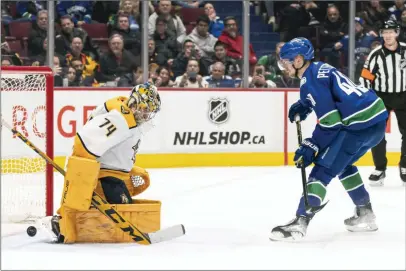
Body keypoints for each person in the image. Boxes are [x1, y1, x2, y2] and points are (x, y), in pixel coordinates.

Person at [270, 38, 388, 241]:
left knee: (323, 168)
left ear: (298, 60)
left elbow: (331, 123)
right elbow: (332, 96)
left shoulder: (309, 80)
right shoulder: (320, 67)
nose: (284, 67)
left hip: (358, 126)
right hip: (376, 122)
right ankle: (365, 214)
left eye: (286, 62)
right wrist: (306, 103)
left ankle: (300, 222)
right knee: (343, 164)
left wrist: (312, 145)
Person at [50, 83, 161, 243]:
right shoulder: (122, 119)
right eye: (145, 109)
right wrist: (82, 178)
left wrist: (126, 168)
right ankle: (63, 223)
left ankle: (75, 221)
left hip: (111, 174)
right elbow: (84, 142)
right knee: (123, 212)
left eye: (149, 111)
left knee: (124, 208)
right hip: (104, 177)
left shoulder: (128, 115)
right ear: (135, 102)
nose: (146, 114)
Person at [359, 20, 406, 186]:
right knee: (377, 133)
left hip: (404, 96)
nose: (388, 35)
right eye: (385, 32)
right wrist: (369, 98)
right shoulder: (375, 54)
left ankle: (405, 166)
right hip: (381, 97)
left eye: (391, 32)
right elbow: (365, 77)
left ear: (397, 33)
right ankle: (380, 168)